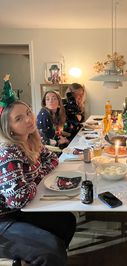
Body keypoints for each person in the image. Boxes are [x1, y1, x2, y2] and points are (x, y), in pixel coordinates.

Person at [0, 75, 76, 265]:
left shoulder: (31, 140)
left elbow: (52, 160)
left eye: (28, 112)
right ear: (8, 128)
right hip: (4, 217)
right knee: (52, 250)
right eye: (19, 118)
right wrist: (38, 176)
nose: (28, 119)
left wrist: (33, 176)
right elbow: (18, 198)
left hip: (19, 209)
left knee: (67, 222)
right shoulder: (8, 153)